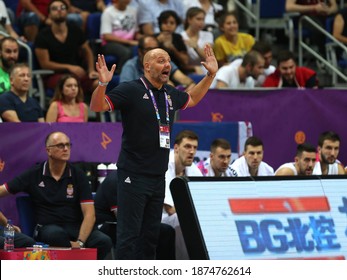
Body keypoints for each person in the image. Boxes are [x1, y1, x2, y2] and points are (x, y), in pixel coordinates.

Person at [89, 43, 218, 259]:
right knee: (129, 235)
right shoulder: (131, 89)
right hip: (133, 174)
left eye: (168, 60)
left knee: (150, 236)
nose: (167, 64)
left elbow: (192, 98)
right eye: (161, 60)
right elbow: (97, 106)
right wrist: (103, 83)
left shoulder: (169, 93)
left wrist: (210, 75)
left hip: (158, 177)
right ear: (147, 67)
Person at [0, 131, 113, 260]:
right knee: (57, 236)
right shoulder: (33, 174)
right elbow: (3, 190)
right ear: (48, 151)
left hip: (75, 227)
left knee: (103, 241)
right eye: (60, 145)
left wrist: (80, 242)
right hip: (48, 228)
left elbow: (89, 214)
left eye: (68, 145)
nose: (65, 149)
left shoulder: (78, 175)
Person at [94, 170, 176, 260]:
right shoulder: (116, 180)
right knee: (144, 232)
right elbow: (122, 216)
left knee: (165, 230)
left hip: (129, 221)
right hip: (107, 224)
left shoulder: (139, 180)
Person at [34, 0, 99, 96]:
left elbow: (87, 51)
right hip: (54, 75)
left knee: (98, 84)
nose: (59, 10)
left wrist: (91, 69)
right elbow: (45, 64)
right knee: (69, 84)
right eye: (54, 9)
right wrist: (69, 67)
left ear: (67, 12)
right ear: (49, 15)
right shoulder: (42, 36)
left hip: (76, 73)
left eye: (62, 8)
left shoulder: (75, 30)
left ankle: (99, 111)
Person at [162, 130, 202, 259]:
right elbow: (170, 210)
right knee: (182, 218)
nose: (191, 151)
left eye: (194, 147)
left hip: (179, 215)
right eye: (187, 146)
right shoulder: (164, 165)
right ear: (176, 148)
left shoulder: (193, 169)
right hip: (159, 217)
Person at [120, 35, 196, 91]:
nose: (154, 53)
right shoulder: (130, 66)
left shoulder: (165, 62)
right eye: (149, 49)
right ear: (140, 52)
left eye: (156, 49)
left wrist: (191, 84)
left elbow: (182, 78)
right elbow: (125, 91)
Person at [17, 0, 89, 42]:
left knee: (76, 18)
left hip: (53, 13)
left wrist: (79, 12)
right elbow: (25, 3)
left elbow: (65, 3)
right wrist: (44, 19)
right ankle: (34, 47)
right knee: (32, 17)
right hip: (33, 14)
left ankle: (77, 48)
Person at [100, 0, 140, 74]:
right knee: (126, 52)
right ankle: (120, 75)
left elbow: (136, 32)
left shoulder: (133, 11)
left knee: (142, 48)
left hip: (129, 42)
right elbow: (107, 36)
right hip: (110, 44)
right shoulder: (108, 12)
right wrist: (129, 42)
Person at [181, 7, 214, 74]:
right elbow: (183, 62)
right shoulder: (181, 36)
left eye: (203, 19)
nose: (201, 22)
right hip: (190, 71)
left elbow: (208, 57)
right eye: (198, 19)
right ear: (189, 20)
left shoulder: (208, 35)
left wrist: (196, 47)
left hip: (207, 69)